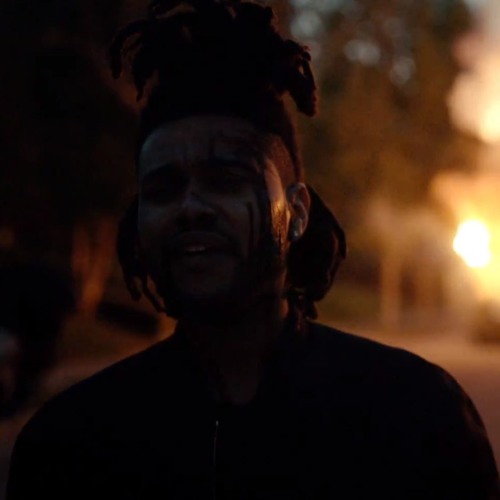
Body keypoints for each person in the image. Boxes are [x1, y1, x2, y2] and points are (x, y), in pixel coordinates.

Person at [6, 1, 500, 498]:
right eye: (163, 189)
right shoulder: (71, 446)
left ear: (298, 212)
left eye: (225, 180)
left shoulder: (416, 416)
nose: (190, 208)